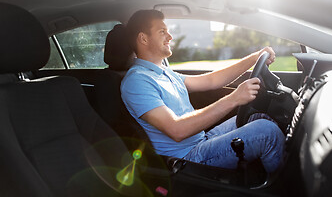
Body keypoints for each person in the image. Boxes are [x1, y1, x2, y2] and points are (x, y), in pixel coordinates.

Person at [121, 10, 285, 173]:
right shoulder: (137, 81)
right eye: (162, 32)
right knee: (267, 132)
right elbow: (177, 130)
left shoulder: (164, 72)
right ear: (143, 38)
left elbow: (211, 80)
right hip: (187, 158)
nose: (170, 37)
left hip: (202, 140)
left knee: (257, 116)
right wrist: (233, 99)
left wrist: (253, 58)